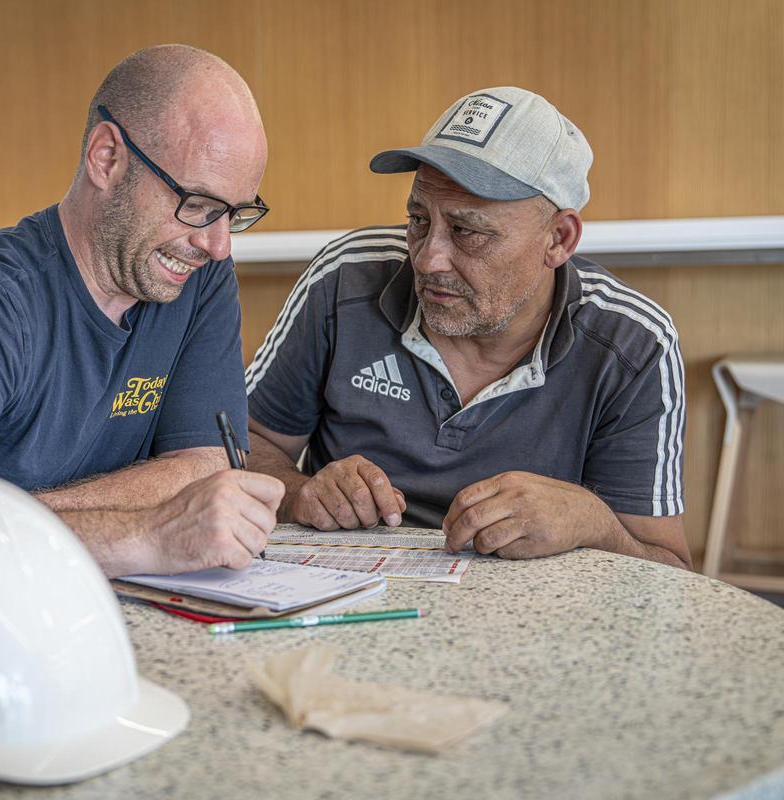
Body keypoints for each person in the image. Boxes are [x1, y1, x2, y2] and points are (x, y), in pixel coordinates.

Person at [0, 45, 284, 577]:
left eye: (236, 213)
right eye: (198, 205)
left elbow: (207, 466)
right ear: (106, 158)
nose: (217, 244)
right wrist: (146, 532)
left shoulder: (199, 279)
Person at [245, 86, 690, 569]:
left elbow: (667, 573)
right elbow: (243, 444)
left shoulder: (633, 344)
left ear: (558, 239)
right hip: (347, 597)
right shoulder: (345, 277)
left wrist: (592, 522)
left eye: (467, 231)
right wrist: (299, 492)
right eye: (418, 219)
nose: (428, 258)